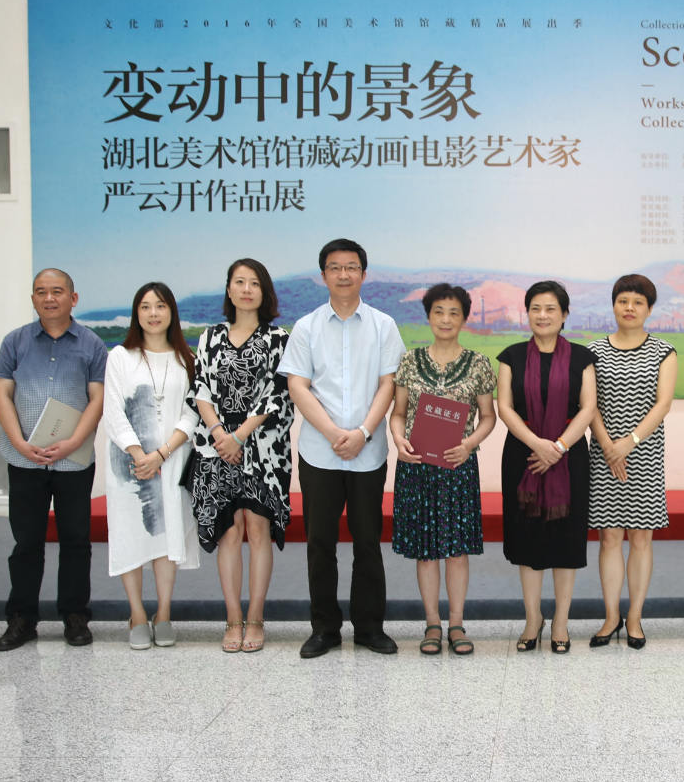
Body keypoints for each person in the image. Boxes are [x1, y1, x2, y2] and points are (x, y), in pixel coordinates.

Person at [281, 238, 404, 657]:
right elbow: (298, 385)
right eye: (335, 267)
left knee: (368, 541)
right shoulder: (306, 327)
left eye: (352, 267)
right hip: (320, 452)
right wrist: (335, 432)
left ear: (364, 274)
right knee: (320, 543)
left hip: (368, 452)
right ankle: (324, 629)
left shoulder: (383, 325)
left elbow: (389, 383)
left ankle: (370, 628)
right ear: (323, 276)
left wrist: (364, 432)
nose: (344, 274)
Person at [0, 268, 108, 651]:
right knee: (26, 542)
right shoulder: (15, 342)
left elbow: (97, 398)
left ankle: (75, 616)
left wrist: (74, 441)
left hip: (74, 460)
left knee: (76, 540)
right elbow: (2, 394)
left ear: (73, 298)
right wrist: (19, 442)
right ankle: (22, 619)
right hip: (25, 459)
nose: (49, 298)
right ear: (33, 299)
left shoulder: (91, 344)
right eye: (41, 292)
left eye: (57, 291)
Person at [388, 284, 497, 656]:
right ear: (428, 316)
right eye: (439, 311)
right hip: (417, 466)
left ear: (464, 318)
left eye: (454, 313)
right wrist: (399, 440)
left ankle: (457, 624)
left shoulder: (479, 363)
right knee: (425, 551)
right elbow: (398, 413)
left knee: (457, 551)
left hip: (458, 466)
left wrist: (469, 444)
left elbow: (488, 417)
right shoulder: (410, 360)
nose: (446, 319)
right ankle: (432, 623)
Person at [192, 258, 294, 653]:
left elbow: (277, 394)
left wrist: (241, 435)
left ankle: (256, 618)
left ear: (264, 292)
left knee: (258, 527)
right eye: (239, 282)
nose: (247, 289)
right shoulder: (210, 336)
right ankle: (232, 618)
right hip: (216, 446)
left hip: (263, 447)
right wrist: (221, 434)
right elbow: (200, 388)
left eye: (254, 283)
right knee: (229, 531)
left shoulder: (278, 339)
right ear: (229, 289)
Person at [497, 280, 598, 654]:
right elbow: (505, 407)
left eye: (551, 308)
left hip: (569, 459)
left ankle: (560, 622)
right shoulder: (511, 356)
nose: (542, 315)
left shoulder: (583, 358)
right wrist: (537, 444)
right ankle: (532, 619)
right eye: (535, 308)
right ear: (527, 313)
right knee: (528, 540)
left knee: (565, 541)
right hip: (523, 456)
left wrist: (557, 446)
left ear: (565, 314)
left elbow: (588, 408)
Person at [101, 282, 201, 650]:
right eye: (145, 306)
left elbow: (192, 413)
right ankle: (137, 614)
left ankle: (163, 614)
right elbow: (113, 411)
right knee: (130, 535)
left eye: (160, 306)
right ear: (136, 314)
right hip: (128, 467)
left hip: (171, 462)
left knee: (166, 535)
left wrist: (161, 454)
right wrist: (137, 453)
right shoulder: (120, 357)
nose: (153, 313)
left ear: (171, 312)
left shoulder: (186, 359)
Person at [587, 274, 677, 650]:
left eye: (638, 302)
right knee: (609, 537)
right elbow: (589, 405)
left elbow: (663, 404)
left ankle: (635, 617)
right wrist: (609, 445)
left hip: (644, 455)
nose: (629, 308)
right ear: (613, 305)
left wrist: (630, 442)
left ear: (649, 309)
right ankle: (611, 617)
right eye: (623, 301)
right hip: (603, 454)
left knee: (641, 537)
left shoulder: (664, 352)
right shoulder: (593, 351)